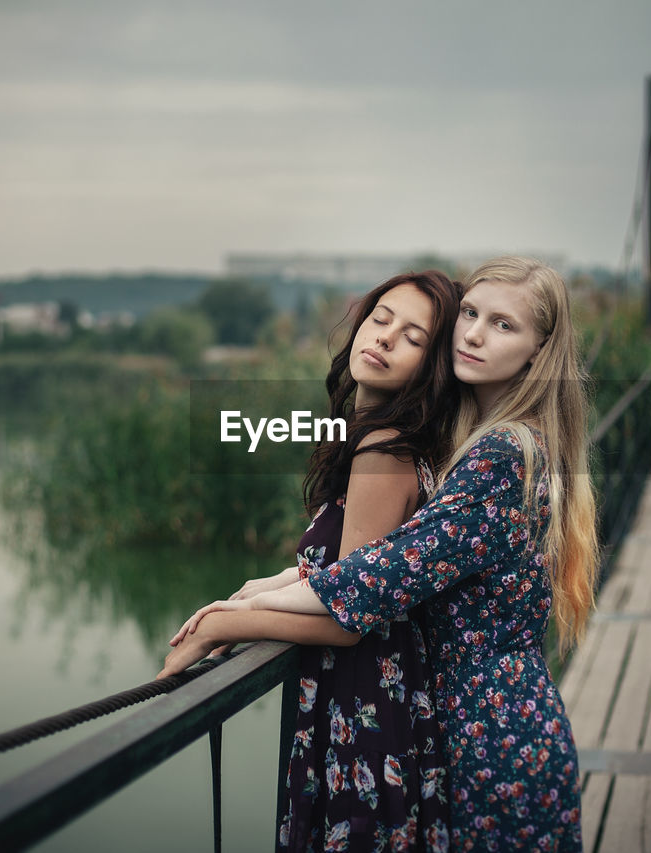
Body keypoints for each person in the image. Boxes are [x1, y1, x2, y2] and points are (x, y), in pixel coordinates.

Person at [167, 257, 600, 851]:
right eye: (470, 314)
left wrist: (228, 619)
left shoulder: (501, 454)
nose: (473, 333)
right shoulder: (480, 443)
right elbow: (382, 560)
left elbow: (366, 583)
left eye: (504, 325)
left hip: (490, 747)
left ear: (538, 352)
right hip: (477, 728)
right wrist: (261, 589)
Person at [161, 270, 462, 851]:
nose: (385, 337)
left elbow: (346, 619)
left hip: (364, 704)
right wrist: (264, 584)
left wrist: (225, 622)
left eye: (414, 337)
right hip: (378, 703)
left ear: (432, 368)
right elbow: (351, 566)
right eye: (380, 319)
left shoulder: (385, 448)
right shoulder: (382, 437)